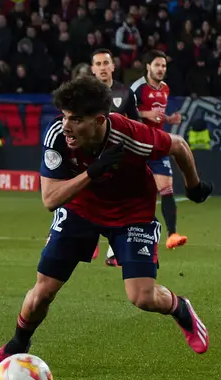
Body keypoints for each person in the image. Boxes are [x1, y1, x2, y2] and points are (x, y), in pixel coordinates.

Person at [0, 76, 213, 367]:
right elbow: (50, 199)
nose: (66, 126)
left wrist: (194, 187)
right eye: (65, 116)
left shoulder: (130, 135)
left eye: (76, 119)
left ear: (99, 120)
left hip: (131, 210)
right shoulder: (57, 136)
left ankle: (180, 308)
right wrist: (92, 172)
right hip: (81, 208)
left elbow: (178, 146)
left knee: (142, 297)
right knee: (43, 292)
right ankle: (18, 343)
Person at [128, 50, 186, 255]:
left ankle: (172, 234)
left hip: (157, 144)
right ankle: (115, 246)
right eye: (157, 65)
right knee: (132, 195)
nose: (161, 69)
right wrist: (145, 113)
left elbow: (158, 116)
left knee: (167, 188)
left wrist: (169, 119)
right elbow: (124, 112)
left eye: (164, 66)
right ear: (148, 67)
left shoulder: (165, 89)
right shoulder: (137, 88)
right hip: (137, 146)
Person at [89, 48, 140, 262]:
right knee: (88, 199)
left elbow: (136, 124)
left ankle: (114, 251)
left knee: (120, 202)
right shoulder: (84, 93)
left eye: (105, 63)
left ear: (113, 66)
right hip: (91, 155)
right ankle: (87, 242)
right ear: (92, 69)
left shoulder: (126, 93)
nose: (102, 68)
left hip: (118, 157)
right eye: (98, 64)